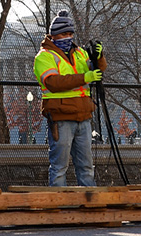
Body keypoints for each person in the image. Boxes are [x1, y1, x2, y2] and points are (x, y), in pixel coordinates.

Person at [33, 10, 106, 187]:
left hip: (83, 116)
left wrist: (99, 57)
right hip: (61, 117)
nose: (68, 37)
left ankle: (89, 200)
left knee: (86, 166)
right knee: (60, 167)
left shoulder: (79, 53)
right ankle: (59, 200)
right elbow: (53, 82)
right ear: (54, 35)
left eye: (70, 33)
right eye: (64, 34)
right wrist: (85, 77)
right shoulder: (44, 56)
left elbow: (97, 69)